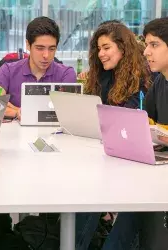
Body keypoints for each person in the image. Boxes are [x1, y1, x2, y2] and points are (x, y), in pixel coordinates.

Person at [75, 21, 151, 250]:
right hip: (108, 153)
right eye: (98, 49)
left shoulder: (143, 79)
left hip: (132, 162)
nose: (101, 54)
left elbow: (130, 122)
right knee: (83, 192)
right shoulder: (106, 76)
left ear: (123, 47)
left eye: (106, 48)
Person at [99, 17, 168, 250]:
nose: (147, 52)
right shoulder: (160, 83)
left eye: (154, 45)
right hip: (155, 174)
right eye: (146, 44)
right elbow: (144, 123)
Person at [0, 16, 77, 120]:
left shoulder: (67, 73)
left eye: (52, 49)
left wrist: (17, 109)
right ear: (28, 44)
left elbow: (66, 112)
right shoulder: (7, 70)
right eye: (40, 48)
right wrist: (17, 112)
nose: (46, 55)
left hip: (53, 135)